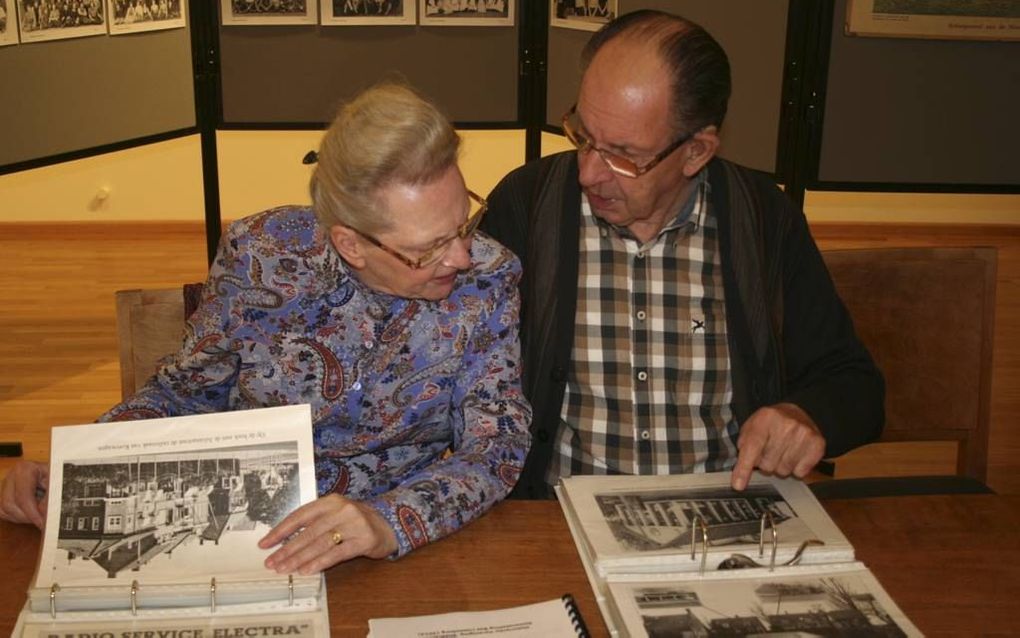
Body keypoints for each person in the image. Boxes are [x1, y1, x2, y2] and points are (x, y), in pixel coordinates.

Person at [0, 82, 532, 574]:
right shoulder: (263, 254)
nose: (462, 256)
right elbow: (183, 395)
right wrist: (75, 469)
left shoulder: (489, 280)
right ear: (350, 244)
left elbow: (496, 445)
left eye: (464, 222)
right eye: (429, 248)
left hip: (386, 550)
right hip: (235, 533)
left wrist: (387, 522)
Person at [481, 10, 884, 499]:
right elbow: (462, 367)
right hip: (559, 518)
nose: (588, 173)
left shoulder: (761, 218)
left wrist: (806, 414)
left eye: (623, 155)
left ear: (696, 151)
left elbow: (853, 383)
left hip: (721, 512)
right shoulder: (527, 206)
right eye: (583, 136)